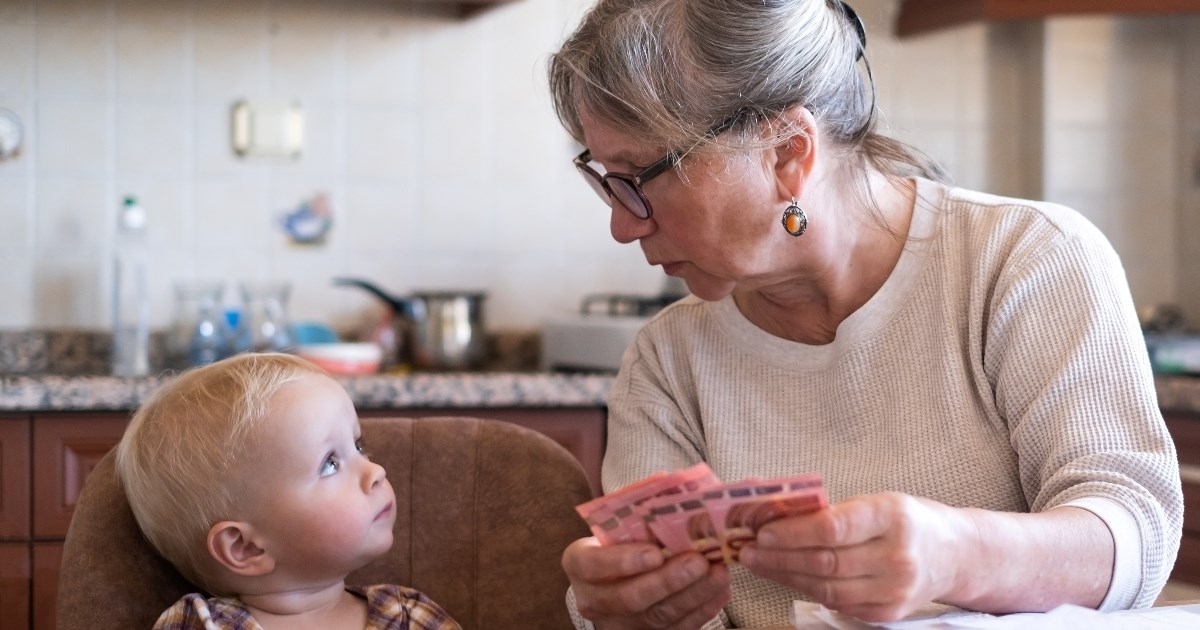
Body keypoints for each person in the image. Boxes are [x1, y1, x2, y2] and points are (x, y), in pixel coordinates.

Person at [547, 0, 1183, 628]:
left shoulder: (1025, 259)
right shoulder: (667, 361)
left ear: (787, 153)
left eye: (639, 177)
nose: (622, 226)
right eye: (606, 179)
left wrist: (955, 556)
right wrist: (629, 612)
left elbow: (1135, 535)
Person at [115, 352, 461, 630]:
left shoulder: (409, 618)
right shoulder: (201, 624)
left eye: (358, 446)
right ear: (246, 547)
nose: (375, 472)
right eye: (330, 464)